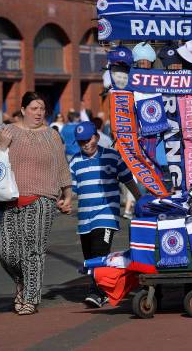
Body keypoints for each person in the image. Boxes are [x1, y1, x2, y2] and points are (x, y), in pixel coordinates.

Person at [0, 92, 72, 315]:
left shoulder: (52, 135)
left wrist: (67, 194)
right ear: (23, 110)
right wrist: (3, 145)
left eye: (42, 109)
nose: (39, 113)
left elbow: (61, 166)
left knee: (33, 250)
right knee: (6, 251)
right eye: (34, 108)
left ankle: (30, 297)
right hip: (10, 199)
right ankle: (21, 282)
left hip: (42, 199)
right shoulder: (8, 131)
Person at [69, 121, 140, 308]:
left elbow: (128, 180)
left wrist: (141, 201)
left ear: (97, 137)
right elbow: (71, 189)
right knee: (90, 256)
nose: (85, 144)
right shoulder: (75, 161)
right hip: (85, 218)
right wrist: (65, 200)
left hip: (106, 214)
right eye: (80, 141)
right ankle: (106, 287)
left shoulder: (111, 156)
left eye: (88, 139)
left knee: (100, 251)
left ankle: (96, 292)